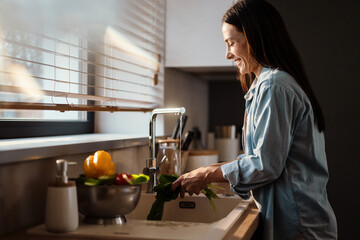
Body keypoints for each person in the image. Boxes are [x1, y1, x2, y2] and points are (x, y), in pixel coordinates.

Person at [171, 0, 337, 239]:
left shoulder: (274, 85)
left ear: (253, 37)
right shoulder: (268, 84)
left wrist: (207, 174)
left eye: (231, 43)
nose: (227, 54)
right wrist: (205, 171)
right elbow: (259, 158)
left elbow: (264, 164)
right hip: (297, 223)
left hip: (299, 227)